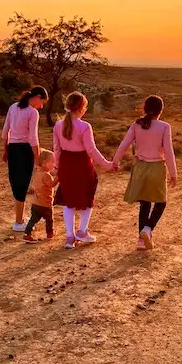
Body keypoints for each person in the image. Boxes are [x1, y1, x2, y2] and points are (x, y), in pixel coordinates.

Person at [53, 91, 116, 249]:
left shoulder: (58, 125)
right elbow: (92, 151)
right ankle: (82, 231)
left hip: (66, 164)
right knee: (87, 198)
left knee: (69, 201)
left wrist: (57, 168)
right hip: (82, 164)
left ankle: (69, 237)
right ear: (81, 108)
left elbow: (57, 150)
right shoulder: (84, 126)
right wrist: (107, 164)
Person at [113, 95, 177, 250]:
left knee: (144, 202)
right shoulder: (164, 126)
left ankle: (141, 241)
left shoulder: (137, 124)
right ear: (161, 111)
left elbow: (124, 144)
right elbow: (168, 151)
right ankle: (147, 229)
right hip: (156, 167)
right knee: (161, 202)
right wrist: (174, 172)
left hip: (140, 167)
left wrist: (115, 161)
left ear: (145, 109)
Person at [2, 86, 48, 232]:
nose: (41, 107)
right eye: (43, 103)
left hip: (13, 148)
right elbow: (33, 138)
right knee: (23, 184)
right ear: (38, 97)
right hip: (25, 149)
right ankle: (19, 221)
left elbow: (5, 131)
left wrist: (5, 150)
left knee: (15, 182)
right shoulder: (32, 112)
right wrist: (37, 158)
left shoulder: (13, 107)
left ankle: (19, 218)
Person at [22, 149, 58, 244]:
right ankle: (50, 233)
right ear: (44, 162)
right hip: (45, 204)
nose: (54, 164)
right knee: (49, 220)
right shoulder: (46, 175)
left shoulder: (37, 172)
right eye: (52, 162)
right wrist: (59, 177)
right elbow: (52, 184)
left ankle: (27, 234)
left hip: (36, 203)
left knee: (33, 219)